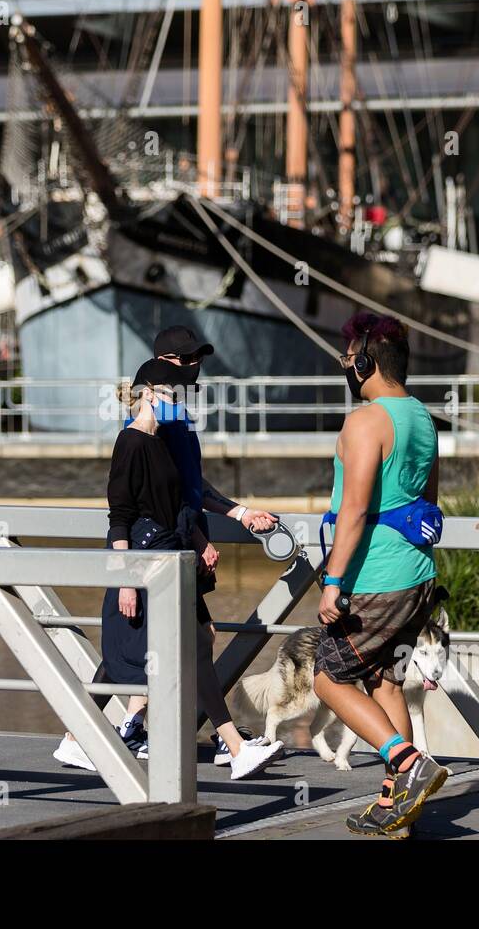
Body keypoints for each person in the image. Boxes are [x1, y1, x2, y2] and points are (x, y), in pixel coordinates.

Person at [52, 359, 284, 780]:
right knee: (180, 650)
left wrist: (201, 539)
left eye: (181, 397)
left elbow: (180, 503)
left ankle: (77, 737)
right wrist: (124, 581)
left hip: (169, 557)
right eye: (171, 396)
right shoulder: (132, 442)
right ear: (149, 393)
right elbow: (119, 516)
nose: (178, 403)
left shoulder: (162, 441)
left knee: (185, 648)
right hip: (143, 564)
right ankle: (232, 747)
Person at [315, 313, 449, 838]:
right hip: (416, 573)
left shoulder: (365, 421)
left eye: (349, 356)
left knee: (328, 676)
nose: (347, 365)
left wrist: (333, 581)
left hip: (375, 577)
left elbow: (353, 511)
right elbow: (429, 503)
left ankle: (409, 762)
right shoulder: (422, 418)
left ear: (367, 363)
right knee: (384, 678)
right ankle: (398, 806)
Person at [149, 324, 282, 765]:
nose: (194, 367)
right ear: (163, 363)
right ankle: (231, 742)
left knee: (182, 638)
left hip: (179, 541)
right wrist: (196, 536)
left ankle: (111, 730)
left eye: (198, 359)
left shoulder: (179, 414)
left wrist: (237, 515)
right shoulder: (152, 417)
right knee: (178, 639)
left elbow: (190, 486)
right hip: (158, 546)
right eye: (186, 360)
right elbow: (152, 492)